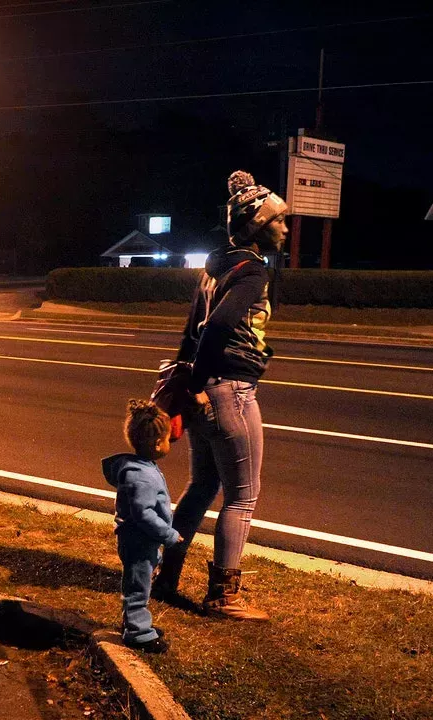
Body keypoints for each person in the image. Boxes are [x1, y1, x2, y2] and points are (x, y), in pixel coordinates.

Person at [151, 170, 288, 622]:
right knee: (242, 496)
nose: (285, 228)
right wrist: (201, 388)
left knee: (201, 486)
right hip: (231, 391)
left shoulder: (215, 270)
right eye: (278, 221)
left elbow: (189, 333)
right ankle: (224, 596)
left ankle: (163, 576)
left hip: (207, 390)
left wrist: (188, 389)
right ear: (256, 224)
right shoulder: (251, 272)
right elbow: (216, 328)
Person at [103, 400, 182, 653]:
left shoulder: (142, 468)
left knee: (139, 581)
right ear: (158, 444)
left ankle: (133, 624)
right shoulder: (142, 476)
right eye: (169, 439)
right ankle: (138, 633)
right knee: (138, 587)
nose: (170, 443)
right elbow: (143, 514)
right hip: (138, 539)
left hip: (141, 539)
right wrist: (168, 534)